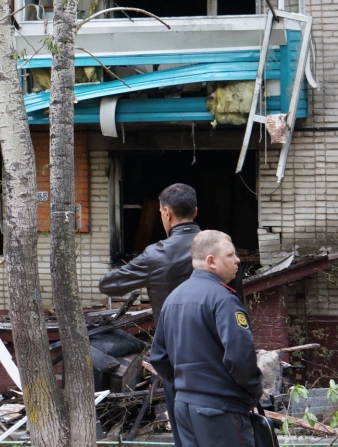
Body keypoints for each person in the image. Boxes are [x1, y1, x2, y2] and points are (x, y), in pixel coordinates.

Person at [99, 182, 201, 447]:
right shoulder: (219, 248)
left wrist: (145, 270)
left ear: (166, 213)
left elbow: (108, 284)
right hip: (217, 349)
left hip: (175, 355)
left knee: (183, 427)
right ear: (195, 212)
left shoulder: (156, 255)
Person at [150, 230, 263, 447]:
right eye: (230, 255)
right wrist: (255, 388)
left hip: (184, 409)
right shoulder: (224, 299)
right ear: (211, 261)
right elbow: (240, 358)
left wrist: (187, 385)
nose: (238, 260)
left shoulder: (173, 298)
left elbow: (159, 357)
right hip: (220, 410)